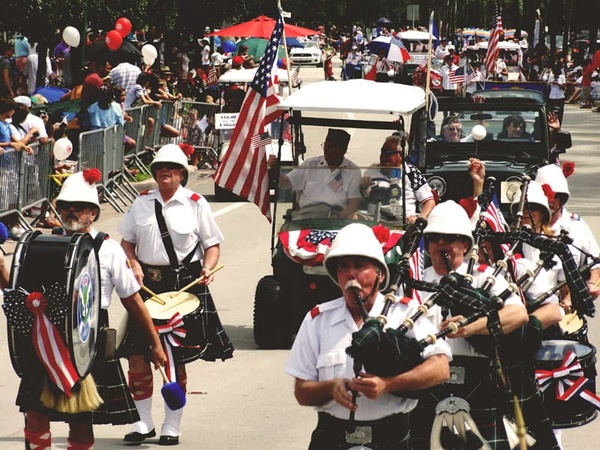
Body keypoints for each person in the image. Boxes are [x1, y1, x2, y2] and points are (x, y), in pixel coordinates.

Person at [15, 169, 167, 450]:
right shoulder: (40, 245)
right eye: (64, 207)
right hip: (45, 340)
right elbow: (18, 291)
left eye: (80, 207)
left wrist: (155, 344)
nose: (71, 212)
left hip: (87, 341)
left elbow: (133, 301)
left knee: (81, 421)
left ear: (93, 213)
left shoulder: (108, 249)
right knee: (34, 415)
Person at [284, 223, 451, 449]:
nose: (350, 273)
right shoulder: (317, 320)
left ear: (380, 274)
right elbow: (302, 393)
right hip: (332, 439)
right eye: (343, 267)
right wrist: (331, 388)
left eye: (360, 266)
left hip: (392, 439)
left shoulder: (407, 313)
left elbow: (440, 368)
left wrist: (387, 384)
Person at [118, 144, 233, 445]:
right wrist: (132, 262)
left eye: (171, 167)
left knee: (175, 359)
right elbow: (127, 241)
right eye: (159, 167)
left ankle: (172, 425)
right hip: (146, 286)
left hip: (183, 286)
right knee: (137, 357)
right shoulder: (141, 203)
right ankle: (142, 423)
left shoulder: (195, 203)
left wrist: (207, 269)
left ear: (182, 173)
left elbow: (212, 245)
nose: (163, 171)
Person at [410, 199, 529, 449]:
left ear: (465, 244)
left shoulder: (485, 276)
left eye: (450, 238)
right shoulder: (415, 283)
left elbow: (518, 315)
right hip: (427, 381)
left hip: (480, 382)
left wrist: (472, 326)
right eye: (434, 238)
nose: (441, 244)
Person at [535, 163, 600, 304]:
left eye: (556, 195)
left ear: (563, 198)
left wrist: (592, 284)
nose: (551, 200)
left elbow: (595, 263)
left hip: (569, 307)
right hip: (533, 302)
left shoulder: (577, 226)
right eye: (546, 194)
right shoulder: (528, 225)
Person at [272, 128, 362, 219]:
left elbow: (353, 205)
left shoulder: (352, 171)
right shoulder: (310, 164)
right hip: (307, 215)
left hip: (336, 216)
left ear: (344, 150)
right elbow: (286, 183)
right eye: (325, 146)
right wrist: (276, 169)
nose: (326, 151)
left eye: (332, 148)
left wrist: (343, 217)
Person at [361, 135, 435, 224]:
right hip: (374, 221)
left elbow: (430, 201)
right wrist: (365, 188)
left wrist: (420, 219)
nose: (384, 156)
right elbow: (361, 197)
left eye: (389, 153)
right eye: (383, 152)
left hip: (402, 223)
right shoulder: (372, 171)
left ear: (400, 155)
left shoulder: (412, 173)